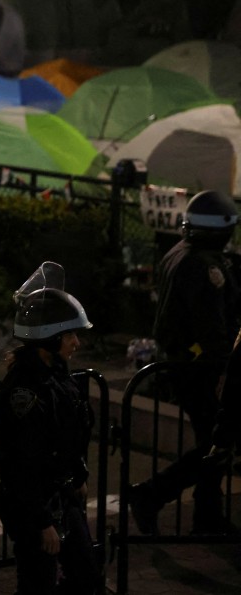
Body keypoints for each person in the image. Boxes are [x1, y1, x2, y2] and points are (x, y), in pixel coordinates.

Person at [129, 190, 240, 535]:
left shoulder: (178, 253)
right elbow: (210, 324)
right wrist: (225, 367)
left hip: (184, 364)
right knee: (216, 443)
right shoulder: (203, 265)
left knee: (214, 441)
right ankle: (152, 495)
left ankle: (206, 513)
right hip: (201, 368)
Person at [0, 263, 102, 595]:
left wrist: (78, 473)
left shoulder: (55, 372)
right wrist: (42, 522)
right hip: (35, 508)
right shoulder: (24, 390)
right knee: (37, 585)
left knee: (87, 579)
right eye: (70, 334)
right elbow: (22, 462)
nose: (77, 342)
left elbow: (69, 432)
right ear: (50, 336)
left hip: (61, 496)